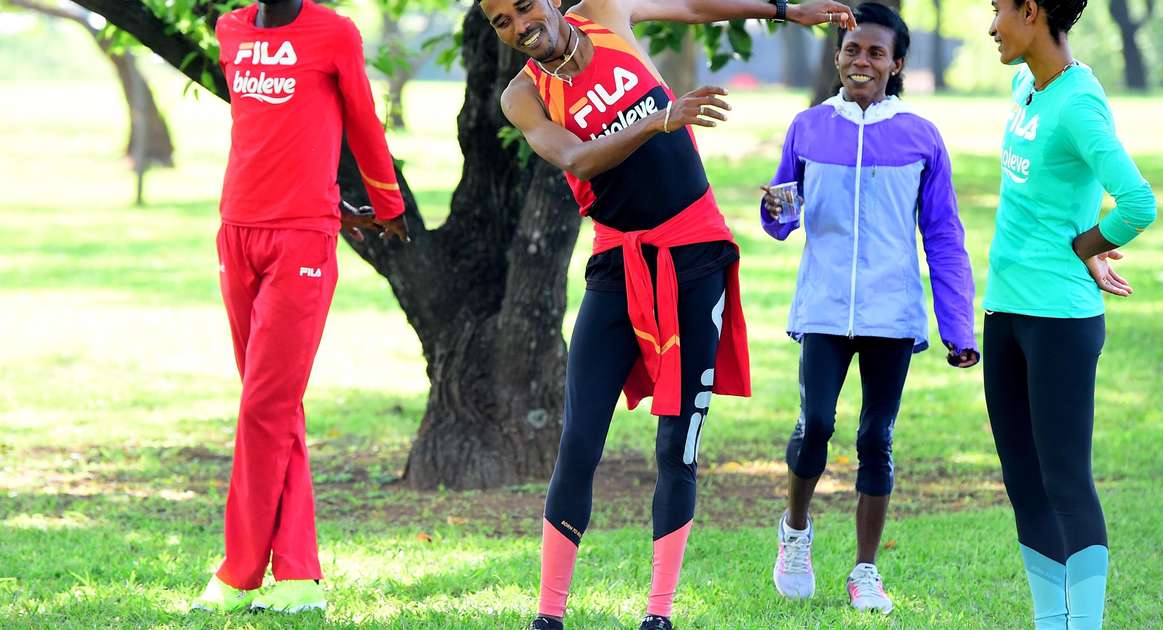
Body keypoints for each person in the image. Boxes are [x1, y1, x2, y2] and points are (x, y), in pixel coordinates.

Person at [478, 0, 856, 628]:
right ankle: (548, 616)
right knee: (578, 442)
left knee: (677, 446)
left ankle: (659, 615)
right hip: (617, 266)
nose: (520, 25)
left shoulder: (603, 13)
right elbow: (574, 158)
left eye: (524, 7)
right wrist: (658, 120)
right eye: (501, 22)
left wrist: (786, 9)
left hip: (695, 256)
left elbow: (692, 5)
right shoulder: (523, 95)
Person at [189, 0, 408, 615]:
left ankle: (238, 574)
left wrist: (387, 204)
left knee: (265, 403)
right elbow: (276, 131)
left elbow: (361, 119)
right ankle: (299, 577)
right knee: (273, 405)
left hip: (301, 240)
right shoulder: (229, 28)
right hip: (236, 228)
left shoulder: (333, 32)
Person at [760, 2, 978, 615]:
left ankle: (864, 570)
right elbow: (783, 217)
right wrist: (776, 210)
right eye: (852, 50)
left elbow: (943, 235)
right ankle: (796, 533)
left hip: (892, 313)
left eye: (876, 52)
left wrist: (957, 327)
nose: (862, 61)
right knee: (817, 425)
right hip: (824, 308)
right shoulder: (808, 127)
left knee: (875, 437)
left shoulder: (920, 136)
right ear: (837, 57)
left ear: (896, 64)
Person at [984, 0, 1156, 626]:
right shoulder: (1025, 82)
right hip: (1004, 310)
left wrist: (1087, 246)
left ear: (1031, 11)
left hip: (1060, 320)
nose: (991, 24)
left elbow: (1138, 202)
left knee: (1065, 481)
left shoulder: (1080, 103)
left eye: (998, 9)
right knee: (1022, 481)